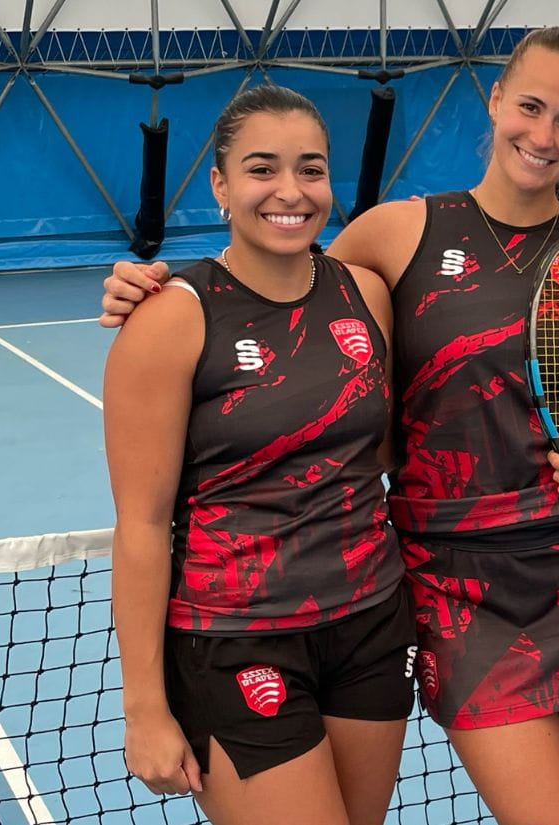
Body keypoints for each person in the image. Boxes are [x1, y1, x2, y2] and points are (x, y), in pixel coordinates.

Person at [99, 28, 559, 825]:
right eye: (530, 106)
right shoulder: (393, 236)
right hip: (450, 587)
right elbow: (282, 281)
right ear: (495, 100)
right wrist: (152, 290)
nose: (544, 134)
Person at [103, 85, 415, 825]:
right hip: (236, 640)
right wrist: (144, 706)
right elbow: (141, 525)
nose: (290, 191)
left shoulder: (366, 294)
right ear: (220, 185)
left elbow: (384, 452)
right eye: (262, 168)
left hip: (372, 623)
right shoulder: (170, 317)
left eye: (311, 169)